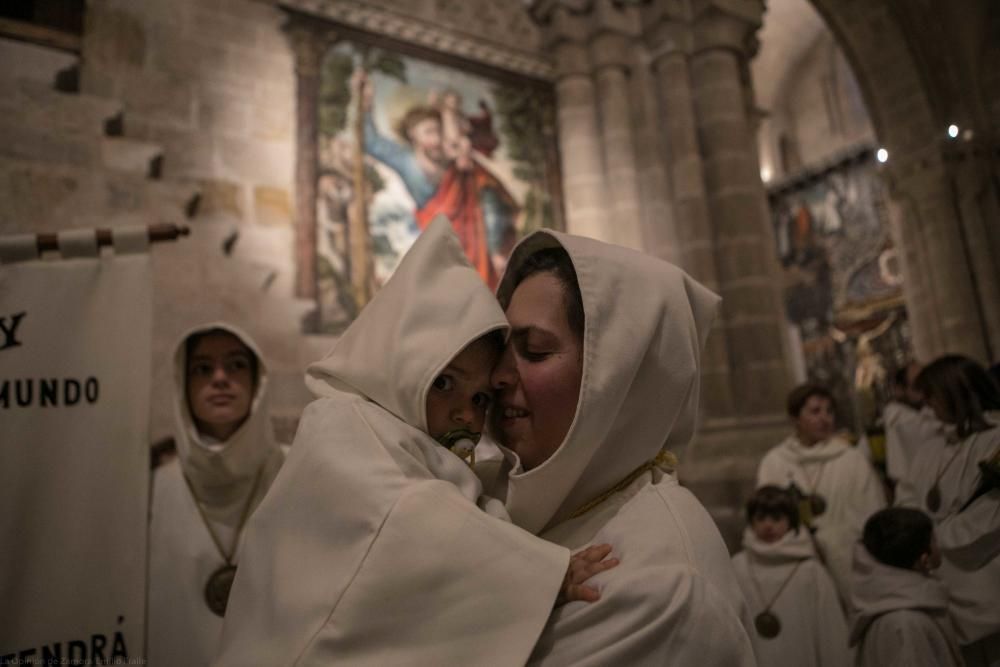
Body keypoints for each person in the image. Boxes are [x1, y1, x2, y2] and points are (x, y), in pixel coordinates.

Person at [215, 217, 614, 666]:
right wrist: (544, 574)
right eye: (445, 382)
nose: (466, 412)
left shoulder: (435, 450)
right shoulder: (341, 419)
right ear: (401, 364)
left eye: (481, 397)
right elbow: (407, 519)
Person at [482, 230, 755, 665]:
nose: (496, 376)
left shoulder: (664, 588)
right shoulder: (520, 509)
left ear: (617, 378)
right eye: (500, 350)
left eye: (533, 351)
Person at [147, 323, 285, 667]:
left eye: (236, 365)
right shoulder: (153, 487)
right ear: (184, 386)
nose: (220, 378)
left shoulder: (296, 470)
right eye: (203, 369)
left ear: (257, 382)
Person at [355, 72, 517, 288]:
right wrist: (365, 103)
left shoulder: (458, 163)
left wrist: (496, 248)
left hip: (474, 244)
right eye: (430, 132)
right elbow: (373, 142)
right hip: (440, 245)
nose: (437, 139)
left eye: (440, 132)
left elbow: (490, 201)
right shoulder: (406, 161)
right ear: (414, 135)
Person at [897, 355, 1000, 666]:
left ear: (956, 391)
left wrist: (933, 540)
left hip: (984, 570)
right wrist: (912, 539)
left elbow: (993, 512)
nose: (928, 406)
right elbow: (907, 499)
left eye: (932, 395)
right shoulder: (931, 447)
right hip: (938, 575)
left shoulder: (995, 438)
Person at [757, 383, 886, 606]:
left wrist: (830, 541)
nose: (825, 418)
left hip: (850, 563)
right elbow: (765, 515)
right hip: (796, 565)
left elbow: (873, 515)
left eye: (829, 411)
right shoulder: (775, 462)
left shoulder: (851, 459)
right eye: (815, 411)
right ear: (795, 418)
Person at [731, 486, 849, 667]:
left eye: (777, 518)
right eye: (761, 518)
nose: (768, 525)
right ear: (751, 521)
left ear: (791, 521)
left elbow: (830, 632)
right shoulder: (738, 566)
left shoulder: (810, 571)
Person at [850, 507, 964, 667]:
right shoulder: (906, 623)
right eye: (934, 540)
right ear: (924, 560)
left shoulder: (899, 610)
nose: (938, 545)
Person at [884, 361, 947, 490]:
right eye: (917, 385)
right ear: (900, 389)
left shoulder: (929, 411)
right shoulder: (899, 419)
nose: (925, 390)